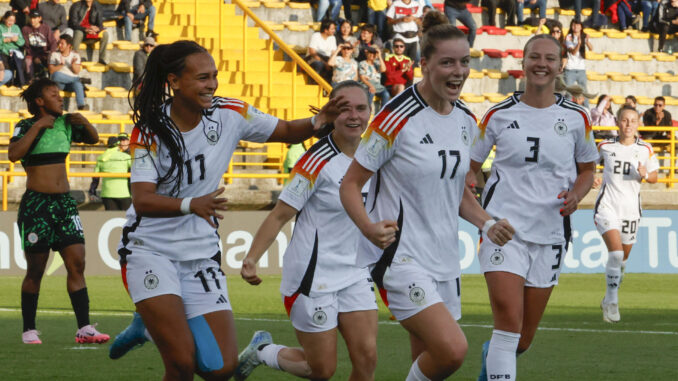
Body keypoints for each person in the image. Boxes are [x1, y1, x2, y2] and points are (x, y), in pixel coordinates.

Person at [108, 40, 347, 379]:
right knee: (181, 363)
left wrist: (317, 121)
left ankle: (147, 327)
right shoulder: (148, 128)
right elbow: (142, 199)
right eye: (202, 77)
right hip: (150, 250)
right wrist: (193, 204)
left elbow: (285, 131)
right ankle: (151, 325)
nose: (212, 85)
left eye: (214, 76)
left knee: (220, 369)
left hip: (200, 252)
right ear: (174, 81)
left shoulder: (231, 113)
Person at [340, 11, 514, 381]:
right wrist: (369, 228)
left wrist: (488, 221)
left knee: (428, 362)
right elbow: (350, 184)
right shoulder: (395, 118)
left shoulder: (467, 120)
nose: (458, 71)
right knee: (452, 351)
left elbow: (458, 193)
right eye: (447, 62)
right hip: (399, 256)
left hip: (445, 259)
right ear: (424, 64)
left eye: (464, 62)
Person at [470, 33, 599, 381]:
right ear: (524, 63)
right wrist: (478, 198)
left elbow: (588, 170)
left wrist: (577, 194)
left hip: (551, 233)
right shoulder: (497, 114)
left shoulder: (577, 118)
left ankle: (490, 363)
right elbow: (470, 165)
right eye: (534, 57)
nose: (541, 64)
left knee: (523, 340)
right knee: (508, 327)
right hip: (503, 231)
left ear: (560, 65)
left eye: (549, 58)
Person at [236, 81, 378, 381]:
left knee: (366, 359)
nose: (354, 116)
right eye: (344, 109)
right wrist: (251, 258)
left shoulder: (376, 154)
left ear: (371, 110)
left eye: (361, 108)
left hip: (355, 271)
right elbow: (280, 216)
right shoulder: (315, 161)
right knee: (321, 369)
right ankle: (263, 351)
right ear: (331, 113)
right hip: (313, 277)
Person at [8, 78, 107, 345]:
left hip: (64, 204)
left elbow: (94, 139)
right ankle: (29, 329)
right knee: (36, 271)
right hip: (37, 205)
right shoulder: (25, 125)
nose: (60, 97)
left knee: (77, 264)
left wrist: (84, 122)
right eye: (54, 94)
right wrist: (38, 125)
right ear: (39, 101)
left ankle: (84, 328)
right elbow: (13, 154)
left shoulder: (65, 123)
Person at [595, 106, 659, 323]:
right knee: (615, 254)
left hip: (631, 210)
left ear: (638, 124)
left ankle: (609, 296)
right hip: (607, 206)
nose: (629, 125)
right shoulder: (605, 146)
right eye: (624, 120)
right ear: (618, 123)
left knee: (622, 261)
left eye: (633, 121)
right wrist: (591, 177)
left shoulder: (646, 149)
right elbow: (586, 166)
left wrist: (646, 174)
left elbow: (654, 177)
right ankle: (612, 303)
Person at [89, 136, 133, 211]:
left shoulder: (100, 157)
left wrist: (92, 192)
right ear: (118, 144)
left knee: (112, 220)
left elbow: (95, 177)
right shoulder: (126, 157)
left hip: (107, 193)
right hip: (124, 193)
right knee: (127, 219)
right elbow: (136, 171)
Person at [48, 34, 88, 111]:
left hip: (70, 84)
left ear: (69, 45)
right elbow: (51, 71)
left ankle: (81, 106)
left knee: (77, 84)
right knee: (56, 75)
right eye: (59, 43)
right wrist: (61, 65)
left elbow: (76, 71)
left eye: (62, 43)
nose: (59, 45)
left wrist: (73, 65)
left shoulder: (75, 55)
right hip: (59, 84)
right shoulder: (54, 54)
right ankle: (79, 80)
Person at [68, 0, 110, 65]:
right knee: (78, 32)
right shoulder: (76, 6)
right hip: (80, 31)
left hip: (92, 32)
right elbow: (73, 24)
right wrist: (85, 29)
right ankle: (74, 57)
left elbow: (100, 24)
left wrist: (97, 29)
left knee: (105, 34)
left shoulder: (98, 6)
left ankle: (101, 59)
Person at [21, 10, 57, 81]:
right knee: (28, 60)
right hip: (32, 53)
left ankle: (52, 80)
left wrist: (51, 53)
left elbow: (53, 42)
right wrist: (35, 56)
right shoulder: (25, 29)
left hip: (45, 53)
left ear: (39, 18)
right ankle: (30, 79)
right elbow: (26, 45)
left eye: (34, 18)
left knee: (53, 58)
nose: (32, 20)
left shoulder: (46, 28)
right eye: (31, 18)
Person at [564, 19, 592, 105]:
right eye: (574, 25)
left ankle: (587, 111)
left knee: (584, 92)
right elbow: (573, 52)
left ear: (581, 27)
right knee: (569, 92)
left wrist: (587, 41)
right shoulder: (569, 37)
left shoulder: (584, 36)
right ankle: (567, 112)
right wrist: (579, 44)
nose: (575, 27)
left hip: (581, 69)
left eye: (577, 25)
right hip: (570, 69)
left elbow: (591, 48)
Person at [387, 0, 423, 66]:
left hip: (414, 38)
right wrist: (401, 19)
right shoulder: (396, 4)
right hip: (400, 37)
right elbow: (389, 21)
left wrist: (414, 18)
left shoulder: (416, 4)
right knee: (400, 63)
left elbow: (420, 21)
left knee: (413, 62)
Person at [359, 45, 390, 111]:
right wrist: (371, 86)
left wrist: (379, 56)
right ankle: (367, 112)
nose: (372, 55)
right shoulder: (362, 63)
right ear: (367, 53)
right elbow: (362, 77)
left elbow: (384, 69)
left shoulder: (377, 63)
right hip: (367, 85)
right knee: (371, 92)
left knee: (386, 94)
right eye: (370, 52)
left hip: (377, 86)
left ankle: (382, 113)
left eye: (374, 53)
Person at [306, 19, 337, 84]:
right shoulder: (316, 35)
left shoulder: (333, 38)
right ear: (325, 30)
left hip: (327, 59)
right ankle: (314, 84)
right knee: (319, 65)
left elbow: (334, 52)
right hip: (315, 58)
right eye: (332, 29)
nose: (334, 31)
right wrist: (325, 63)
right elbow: (312, 52)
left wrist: (331, 63)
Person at [1, 11, 27, 86]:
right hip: (4, 50)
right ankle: (9, 81)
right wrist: (5, 40)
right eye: (9, 20)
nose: (11, 23)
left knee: (18, 58)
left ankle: (20, 81)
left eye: (13, 21)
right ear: (5, 19)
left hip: (15, 50)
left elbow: (22, 42)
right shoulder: (0, 27)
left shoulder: (16, 27)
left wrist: (17, 40)